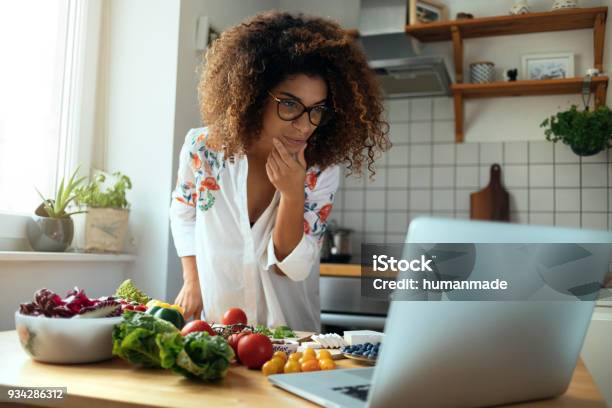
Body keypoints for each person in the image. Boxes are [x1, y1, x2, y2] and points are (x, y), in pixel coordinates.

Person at [170, 11, 389, 331]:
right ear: (255, 95)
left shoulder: (320, 167)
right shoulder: (203, 148)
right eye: (289, 104)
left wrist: (292, 192)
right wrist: (193, 279)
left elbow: (294, 267)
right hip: (219, 334)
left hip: (293, 342)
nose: (304, 124)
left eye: (317, 110)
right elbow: (184, 209)